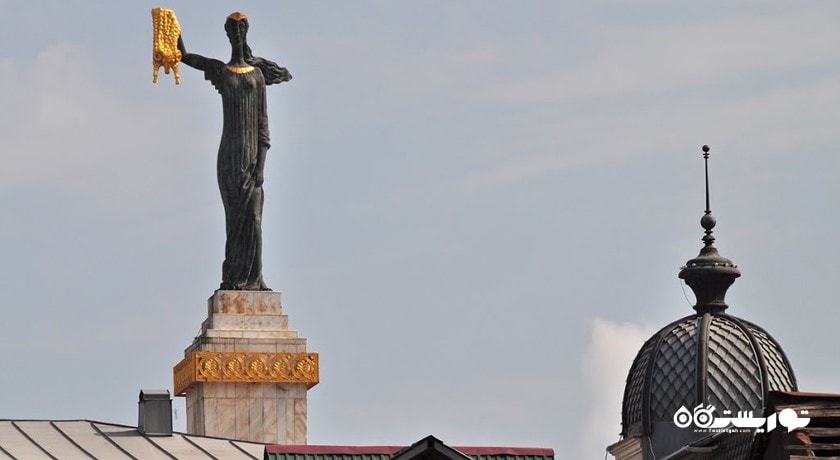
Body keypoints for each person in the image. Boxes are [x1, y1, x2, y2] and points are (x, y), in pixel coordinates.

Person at [178, 12, 292, 290]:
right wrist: (171, 25)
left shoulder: (257, 75)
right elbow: (183, 56)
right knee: (234, 218)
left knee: (253, 217)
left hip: (253, 154)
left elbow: (264, 123)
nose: (237, 35)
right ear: (227, 35)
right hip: (229, 154)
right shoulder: (221, 71)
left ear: (246, 33)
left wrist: (261, 164)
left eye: (241, 30)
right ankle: (233, 278)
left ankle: (255, 278)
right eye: (233, 31)